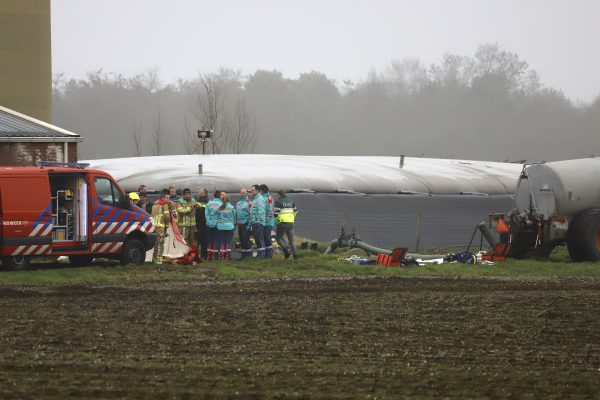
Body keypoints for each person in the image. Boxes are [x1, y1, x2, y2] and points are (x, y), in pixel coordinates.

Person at [274, 189, 299, 259]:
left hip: (282, 222)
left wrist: (276, 221)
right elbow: (296, 211)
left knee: (279, 238)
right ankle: (295, 256)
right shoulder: (291, 201)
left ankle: (286, 251)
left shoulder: (278, 202)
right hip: (291, 222)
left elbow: (276, 214)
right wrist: (292, 218)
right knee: (291, 240)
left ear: (278, 194)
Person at [151, 189, 172, 264]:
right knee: (160, 244)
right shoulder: (165, 205)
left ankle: (154, 259)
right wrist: (167, 225)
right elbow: (167, 217)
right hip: (161, 228)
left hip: (154, 227)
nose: (168, 199)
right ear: (163, 197)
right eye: (167, 198)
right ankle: (158, 260)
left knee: (156, 244)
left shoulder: (155, 205)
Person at [216, 191, 236, 260]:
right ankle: (228, 256)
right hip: (229, 227)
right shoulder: (232, 207)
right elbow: (234, 217)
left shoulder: (219, 208)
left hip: (221, 226)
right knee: (228, 242)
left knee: (221, 241)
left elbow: (217, 217)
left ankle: (221, 256)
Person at [249, 184, 266, 258]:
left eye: (253, 190)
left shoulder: (259, 199)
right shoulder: (255, 199)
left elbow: (261, 212)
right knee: (257, 238)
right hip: (254, 222)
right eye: (251, 190)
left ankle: (261, 255)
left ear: (257, 190)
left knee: (259, 238)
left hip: (258, 222)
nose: (251, 192)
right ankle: (260, 253)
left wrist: (258, 221)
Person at [205, 190, 222, 260]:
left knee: (210, 240)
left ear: (214, 196)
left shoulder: (209, 204)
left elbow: (206, 214)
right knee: (217, 240)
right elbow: (221, 215)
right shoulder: (221, 204)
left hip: (209, 224)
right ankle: (216, 255)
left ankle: (209, 255)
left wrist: (209, 221)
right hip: (218, 225)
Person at [235, 188, 252, 258]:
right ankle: (243, 255)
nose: (242, 194)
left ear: (247, 194)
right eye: (241, 193)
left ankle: (248, 255)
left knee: (245, 239)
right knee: (241, 239)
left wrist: (249, 225)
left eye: (243, 193)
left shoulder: (249, 202)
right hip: (239, 224)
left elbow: (251, 214)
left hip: (246, 224)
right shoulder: (238, 203)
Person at [260, 184, 275, 258]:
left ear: (262, 190)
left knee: (267, 237)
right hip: (265, 221)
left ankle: (269, 254)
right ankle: (267, 253)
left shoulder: (268, 198)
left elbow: (269, 210)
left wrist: (267, 220)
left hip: (268, 221)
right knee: (265, 237)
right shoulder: (264, 197)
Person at [195, 187, 209, 260]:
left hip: (203, 223)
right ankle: (202, 254)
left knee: (203, 240)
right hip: (200, 223)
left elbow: (201, 212)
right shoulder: (200, 200)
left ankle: (204, 255)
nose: (198, 192)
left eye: (199, 191)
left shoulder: (205, 200)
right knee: (201, 239)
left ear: (203, 193)